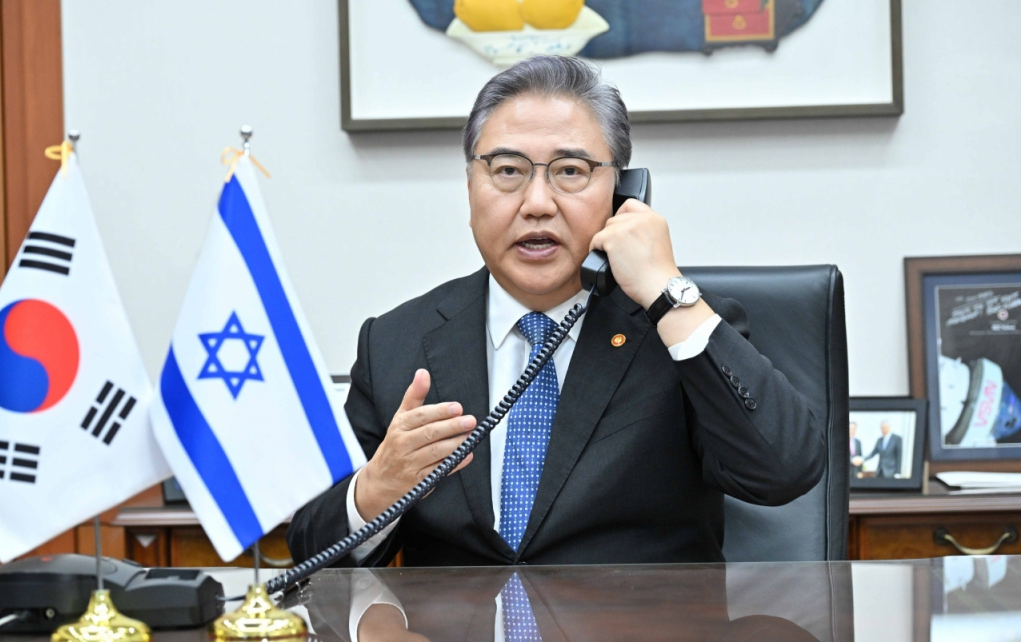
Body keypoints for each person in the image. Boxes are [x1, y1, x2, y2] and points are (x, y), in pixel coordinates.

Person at [287, 55, 824, 568]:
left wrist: (667, 293)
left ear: (623, 194)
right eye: (507, 170)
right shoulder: (396, 343)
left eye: (570, 171)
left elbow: (786, 472)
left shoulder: (678, 333)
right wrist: (377, 488)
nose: (538, 203)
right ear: (470, 187)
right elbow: (310, 550)